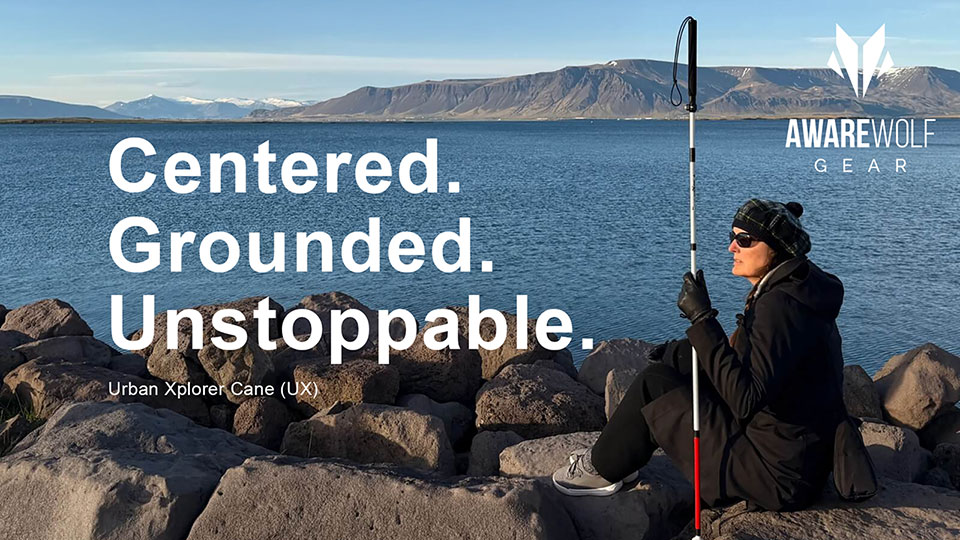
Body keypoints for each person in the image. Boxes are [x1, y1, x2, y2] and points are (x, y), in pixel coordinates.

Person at [552, 199, 848, 512]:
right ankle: (623, 453)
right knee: (679, 364)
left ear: (776, 247)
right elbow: (762, 365)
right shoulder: (800, 287)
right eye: (732, 237)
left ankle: (600, 470)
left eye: (744, 240)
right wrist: (683, 351)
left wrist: (702, 318)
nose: (732, 247)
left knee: (654, 383)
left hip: (776, 476)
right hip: (800, 458)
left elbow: (746, 398)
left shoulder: (778, 308)